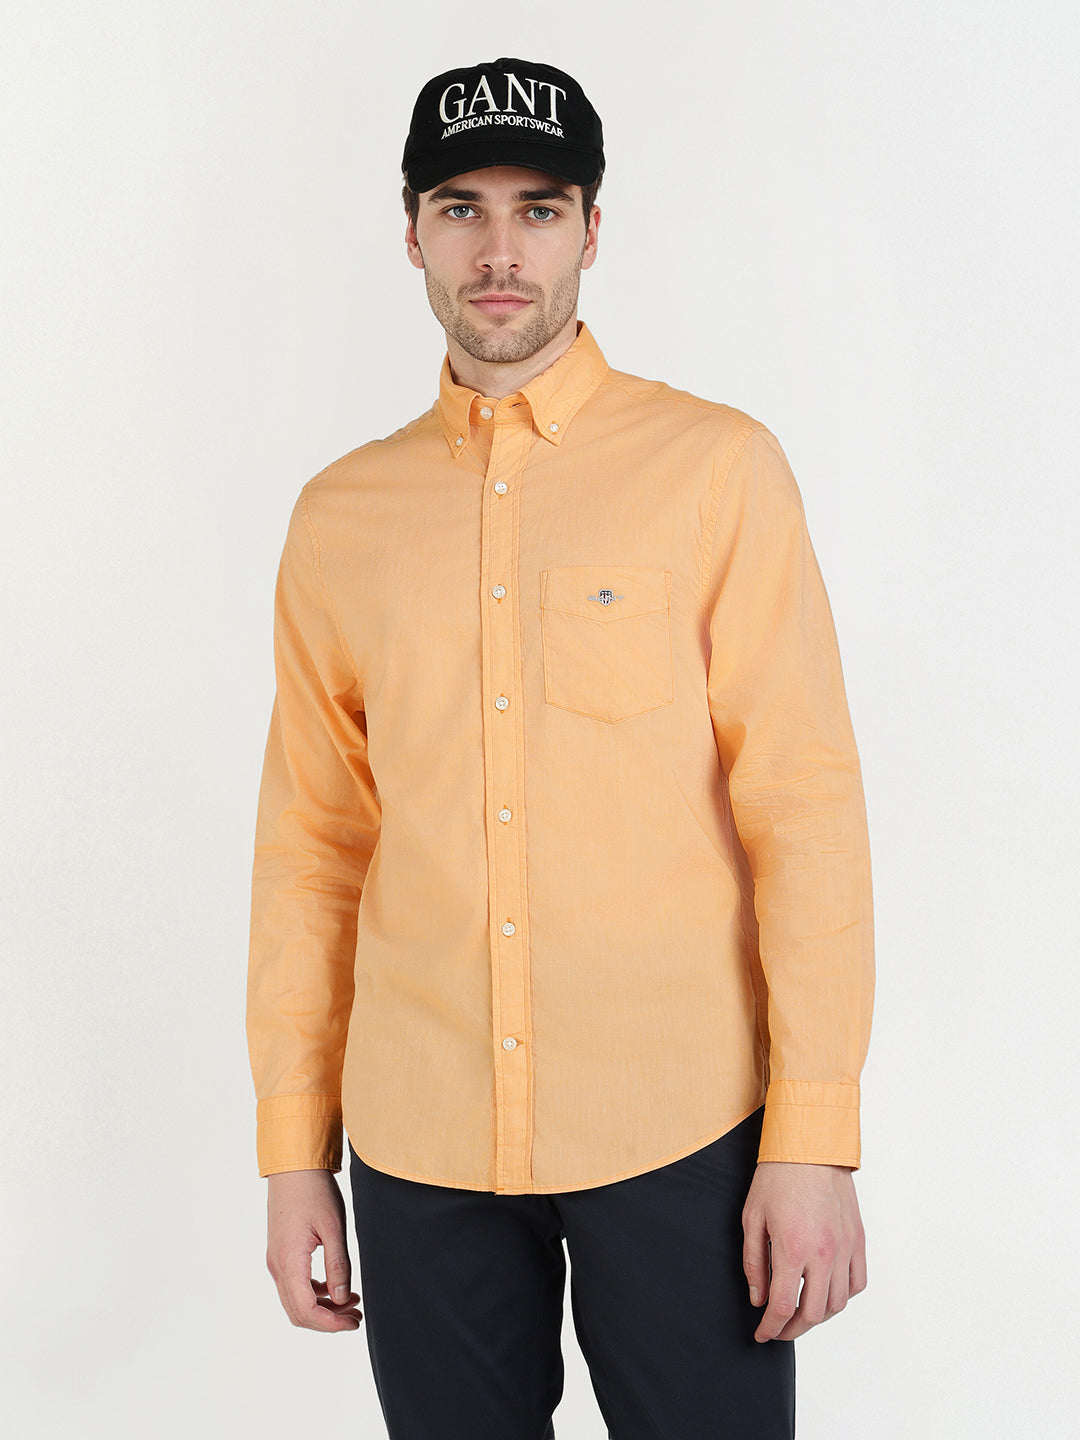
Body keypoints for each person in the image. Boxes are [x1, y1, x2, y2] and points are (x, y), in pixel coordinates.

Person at [246, 55, 875, 1440]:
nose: (499, 251)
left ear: (594, 229)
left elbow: (803, 807)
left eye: (538, 209)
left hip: (679, 1125)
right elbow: (313, 845)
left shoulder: (717, 469)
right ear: (411, 232)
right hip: (420, 1139)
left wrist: (815, 1136)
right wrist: (294, 1152)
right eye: (461, 209)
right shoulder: (340, 516)